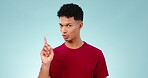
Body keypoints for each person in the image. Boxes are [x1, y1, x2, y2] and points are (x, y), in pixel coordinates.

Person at [38, 3, 109, 78]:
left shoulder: (96, 54)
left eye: (69, 25)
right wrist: (45, 64)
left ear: (80, 25)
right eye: (61, 25)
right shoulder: (52, 55)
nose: (63, 30)